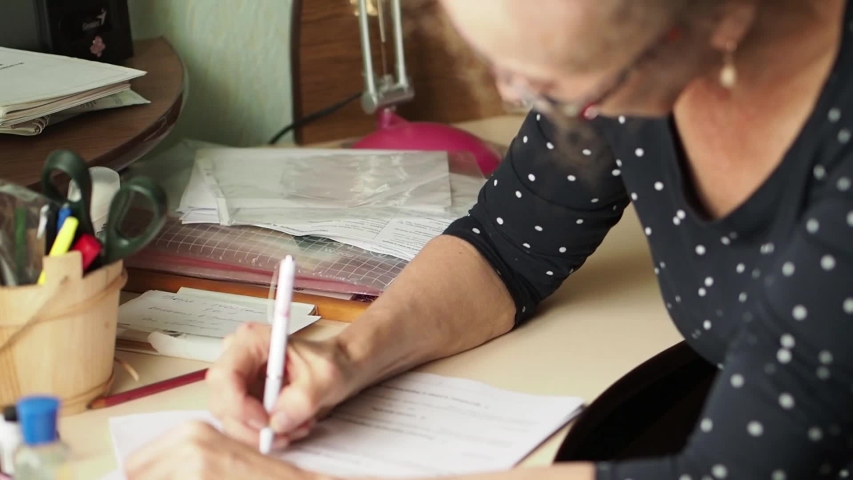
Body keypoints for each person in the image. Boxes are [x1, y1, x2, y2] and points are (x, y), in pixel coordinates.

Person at [124, 0, 853, 478]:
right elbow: (507, 246)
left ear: (717, 18)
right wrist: (343, 357)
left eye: (554, 83)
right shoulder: (633, 52)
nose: (511, 98)